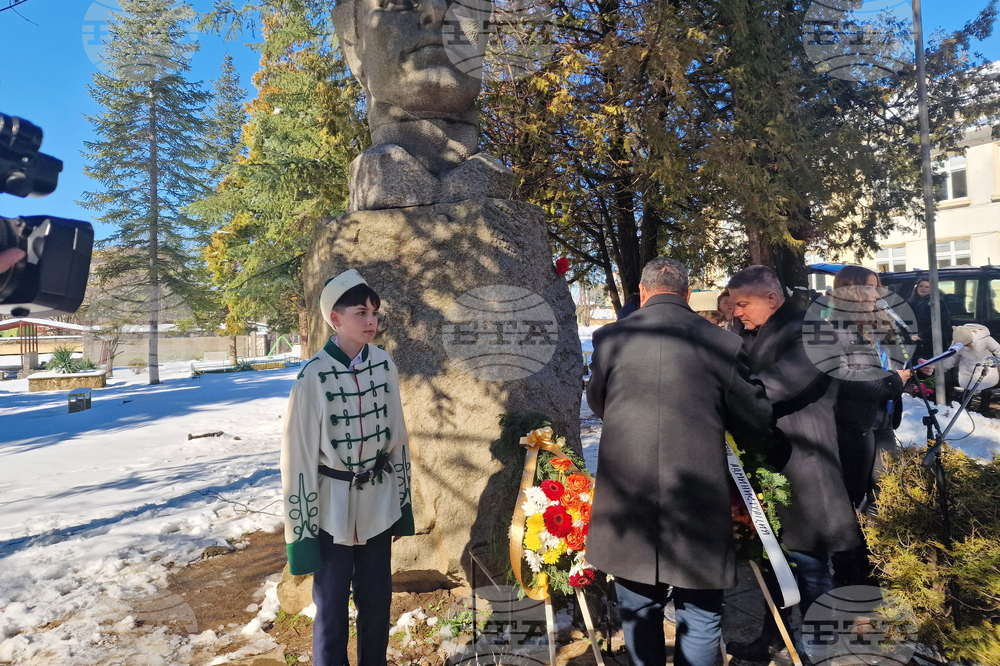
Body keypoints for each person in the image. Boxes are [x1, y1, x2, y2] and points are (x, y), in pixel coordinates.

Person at [586, 257, 774, 666]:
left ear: (641, 293)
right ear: (688, 295)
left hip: (627, 498)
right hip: (698, 497)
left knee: (638, 614)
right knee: (701, 618)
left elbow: (599, 403)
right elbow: (755, 415)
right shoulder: (721, 342)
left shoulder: (609, 339)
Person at [726, 266, 861, 663]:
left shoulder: (814, 331)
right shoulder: (748, 332)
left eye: (742, 304)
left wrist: (720, 397)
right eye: (733, 305)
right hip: (765, 466)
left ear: (771, 298)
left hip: (805, 465)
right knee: (771, 560)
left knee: (811, 562)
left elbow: (778, 385)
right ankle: (773, 636)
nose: (736, 313)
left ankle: (818, 647)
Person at [281, 269, 414, 666]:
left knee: (377, 604)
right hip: (331, 513)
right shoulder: (312, 377)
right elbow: (297, 456)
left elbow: (399, 436)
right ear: (335, 319)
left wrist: (403, 505)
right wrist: (300, 535)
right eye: (361, 312)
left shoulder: (385, 364)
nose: (371, 321)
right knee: (331, 611)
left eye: (374, 311)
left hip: (377, 506)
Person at [830, 265, 909, 512]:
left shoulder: (878, 326)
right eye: (871, 288)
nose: (877, 295)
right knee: (852, 493)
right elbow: (844, 379)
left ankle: (876, 540)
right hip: (856, 424)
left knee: (885, 489)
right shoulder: (835, 329)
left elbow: (887, 363)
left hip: (884, 416)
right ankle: (853, 544)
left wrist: (911, 367)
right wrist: (891, 381)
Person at [909, 277, 952, 362]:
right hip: (912, 344)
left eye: (927, 287)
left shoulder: (937, 303)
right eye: (921, 286)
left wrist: (922, 335)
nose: (923, 288)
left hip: (932, 344)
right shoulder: (910, 303)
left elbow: (942, 323)